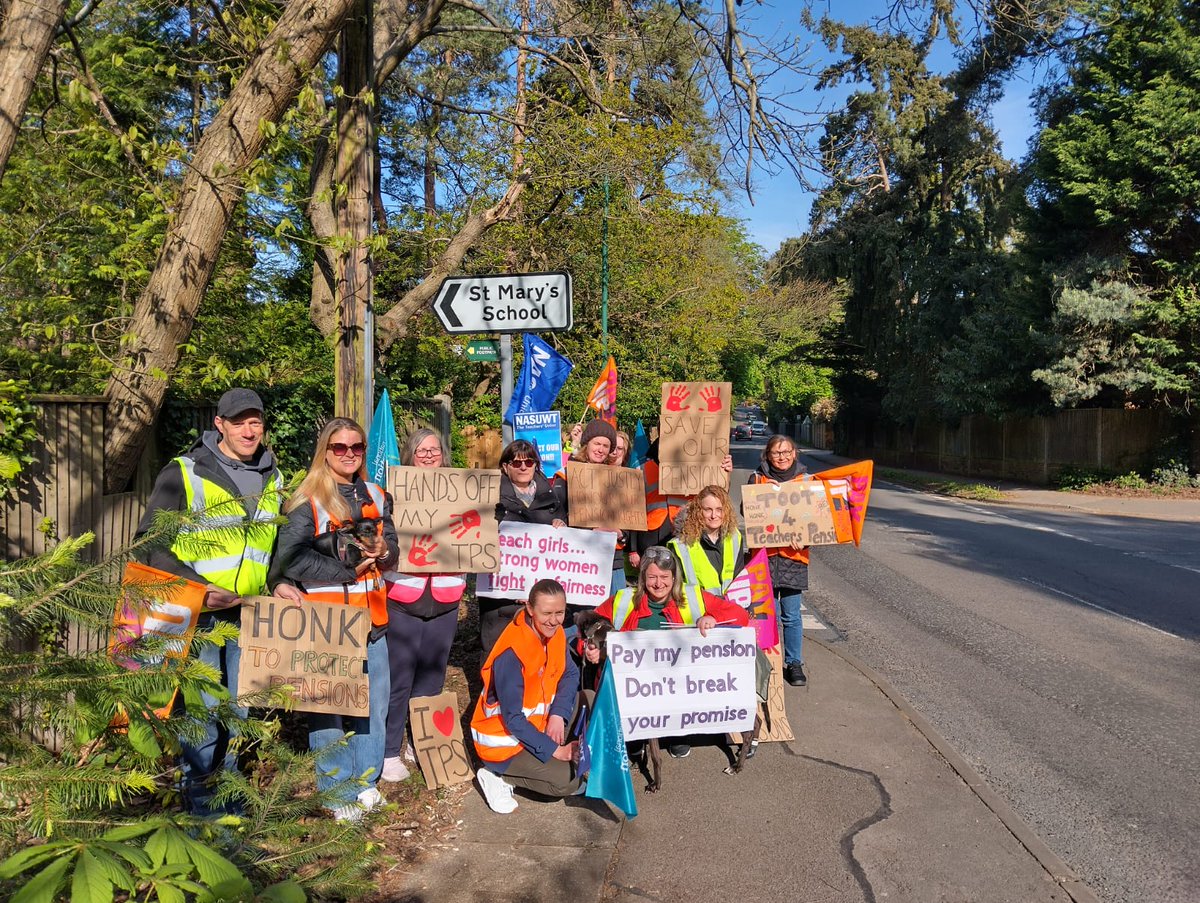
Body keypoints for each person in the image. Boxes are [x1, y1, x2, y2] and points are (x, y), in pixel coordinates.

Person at [134, 388, 298, 816]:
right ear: (219, 425)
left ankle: (232, 804)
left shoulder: (273, 477)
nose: (249, 429)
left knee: (240, 713)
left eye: (256, 421)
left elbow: (274, 544)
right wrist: (200, 587)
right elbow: (150, 544)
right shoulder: (184, 473)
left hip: (249, 613)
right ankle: (203, 814)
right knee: (203, 718)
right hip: (200, 617)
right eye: (239, 421)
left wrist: (279, 581)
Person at [269, 417, 399, 821]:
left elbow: (393, 546)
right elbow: (289, 558)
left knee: (373, 707)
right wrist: (346, 571)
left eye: (356, 447)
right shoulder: (306, 498)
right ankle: (335, 789)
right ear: (325, 451)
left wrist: (384, 550)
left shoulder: (376, 493)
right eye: (339, 448)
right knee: (328, 709)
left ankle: (365, 782)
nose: (349, 454)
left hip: (373, 621)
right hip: (328, 624)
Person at [589, 546, 749, 758]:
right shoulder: (624, 598)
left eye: (665, 577)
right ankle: (634, 735)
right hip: (633, 684)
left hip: (678, 683)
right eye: (652, 577)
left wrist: (713, 619)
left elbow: (740, 616)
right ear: (642, 577)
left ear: (674, 578)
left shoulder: (692, 596)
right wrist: (592, 648)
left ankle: (678, 734)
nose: (658, 584)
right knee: (630, 740)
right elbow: (589, 625)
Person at [380, 428, 468, 783]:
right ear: (409, 455)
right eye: (421, 450)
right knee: (398, 679)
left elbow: (479, 535)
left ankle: (425, 743)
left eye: (434, 450)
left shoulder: (464, 492)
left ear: (443, 455)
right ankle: (389, 750)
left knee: (432, 677)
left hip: (445, 596)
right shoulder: (391, 496)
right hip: (404, 596)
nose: (429, 456)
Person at [470, 579, 587, 813]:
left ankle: (577, 754)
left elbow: (570, 673)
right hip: (505, 744)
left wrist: (558, 715)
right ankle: (498, 776)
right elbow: (513, 720)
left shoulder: (556, 634)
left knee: (589, 698)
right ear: (530, 609)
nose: (553, 620)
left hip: (538, 724)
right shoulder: (512, 653)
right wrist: (556, 751)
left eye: (560, 613)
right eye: (546, 613)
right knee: (568, 780)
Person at [478, 439, 567, 658]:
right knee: (498, 654)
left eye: (529, 461)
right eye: (517, 463)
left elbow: (561, 547)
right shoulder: (489, 497)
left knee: (535, 656)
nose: (524, 467)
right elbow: (477, 538)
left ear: (536, 465)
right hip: (501, 599)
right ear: (505, 467)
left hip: (540, 600)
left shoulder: (551, 496)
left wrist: (561, 526)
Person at [747, 435, 809, 687]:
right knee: (765, 614)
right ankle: (767, 663)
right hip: (764, 557)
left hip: (793, 557)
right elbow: (746, 511)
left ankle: (794, 664)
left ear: (794, 453)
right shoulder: (757, 479)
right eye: (776, 453)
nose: (781, 457)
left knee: (792, 615)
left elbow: (816, 519)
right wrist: (765, 493)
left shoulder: (806, 481)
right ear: (767, 455)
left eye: (786, 452)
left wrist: (805, 539)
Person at [553, 419, 626, 593]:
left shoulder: (619, 478)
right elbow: (557, 512)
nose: (601, 449)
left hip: (612, 559)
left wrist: (621, 534)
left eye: (606, 446)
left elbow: (629, 519)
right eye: (597, 443)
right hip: (578, 557)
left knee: (616, 613)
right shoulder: (567, 474)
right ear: (587, 444)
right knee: (582, 615)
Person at [668, 485, 745, 593]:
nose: (714, 515)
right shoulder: (682, 545)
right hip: (699, 608)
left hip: (730, 606)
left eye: (719, 509)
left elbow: (739, 578)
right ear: (698, 511)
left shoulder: (735, 537)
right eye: (708, 510)